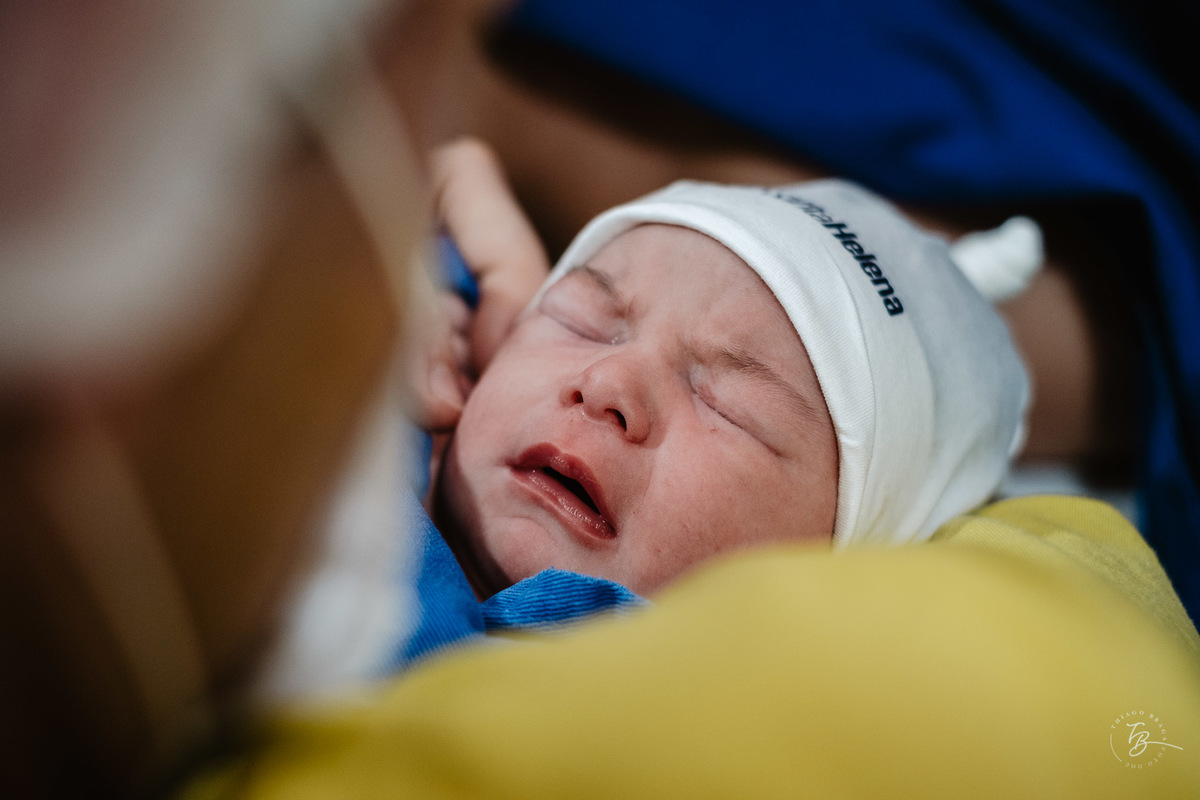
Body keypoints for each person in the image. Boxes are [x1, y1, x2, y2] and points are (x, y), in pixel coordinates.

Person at [428, 162, 1031, 602]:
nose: (608, 382)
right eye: (578, 319)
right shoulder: (385, 420)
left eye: (728, 408)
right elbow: (447, 165)